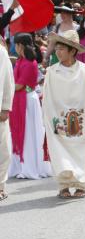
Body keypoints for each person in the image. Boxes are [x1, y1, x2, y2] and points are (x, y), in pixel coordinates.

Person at [43, 31, 85, 199]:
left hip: (80, 118)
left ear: (72, 51)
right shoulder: (52, 72)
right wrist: (46, 120)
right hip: (57, 120)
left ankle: (81, 185)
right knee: (59, 151)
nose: (58, 52)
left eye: (62, 49)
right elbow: (46, 98)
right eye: (57, 48)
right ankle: (64, 185)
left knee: (80, 150)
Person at [8, 33, 51, 179]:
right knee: (20, 133)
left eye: (16, 45)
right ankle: (20, 165)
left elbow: (21, 85)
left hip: (27, 101)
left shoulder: (29, 63)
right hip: (21, 100)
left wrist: (5, 88)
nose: (15, 48)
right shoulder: (21, 60)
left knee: (28, 134)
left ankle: (29, 166)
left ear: (21, 46)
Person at [0, 38, 15, 201]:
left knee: (2, 151)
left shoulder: (1, 52)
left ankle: (0, 186)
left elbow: (7, 81)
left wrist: (5, 107)